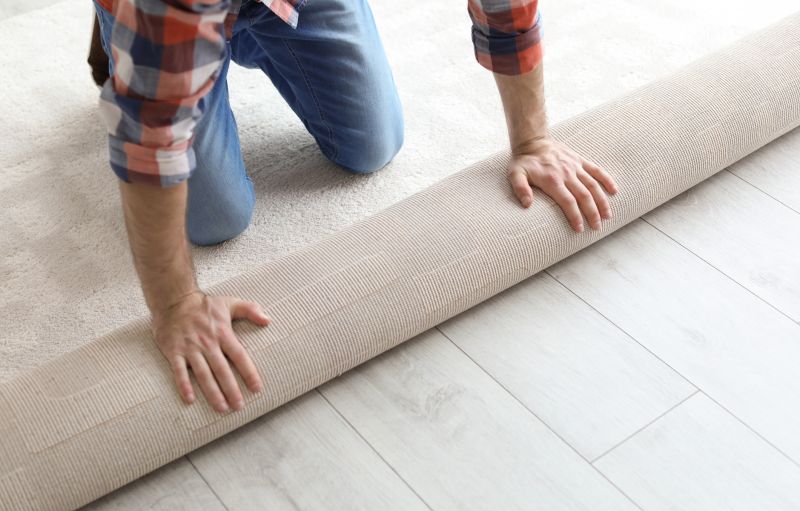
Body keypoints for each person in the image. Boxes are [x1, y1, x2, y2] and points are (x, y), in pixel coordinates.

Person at [90, 0, 619, 415]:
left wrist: (532, 142)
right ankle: (122, 36)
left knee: (373, 145)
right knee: (214, 220)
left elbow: (507, 5)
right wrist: (176, 306)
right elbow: (152, 141)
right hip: (162, 14)